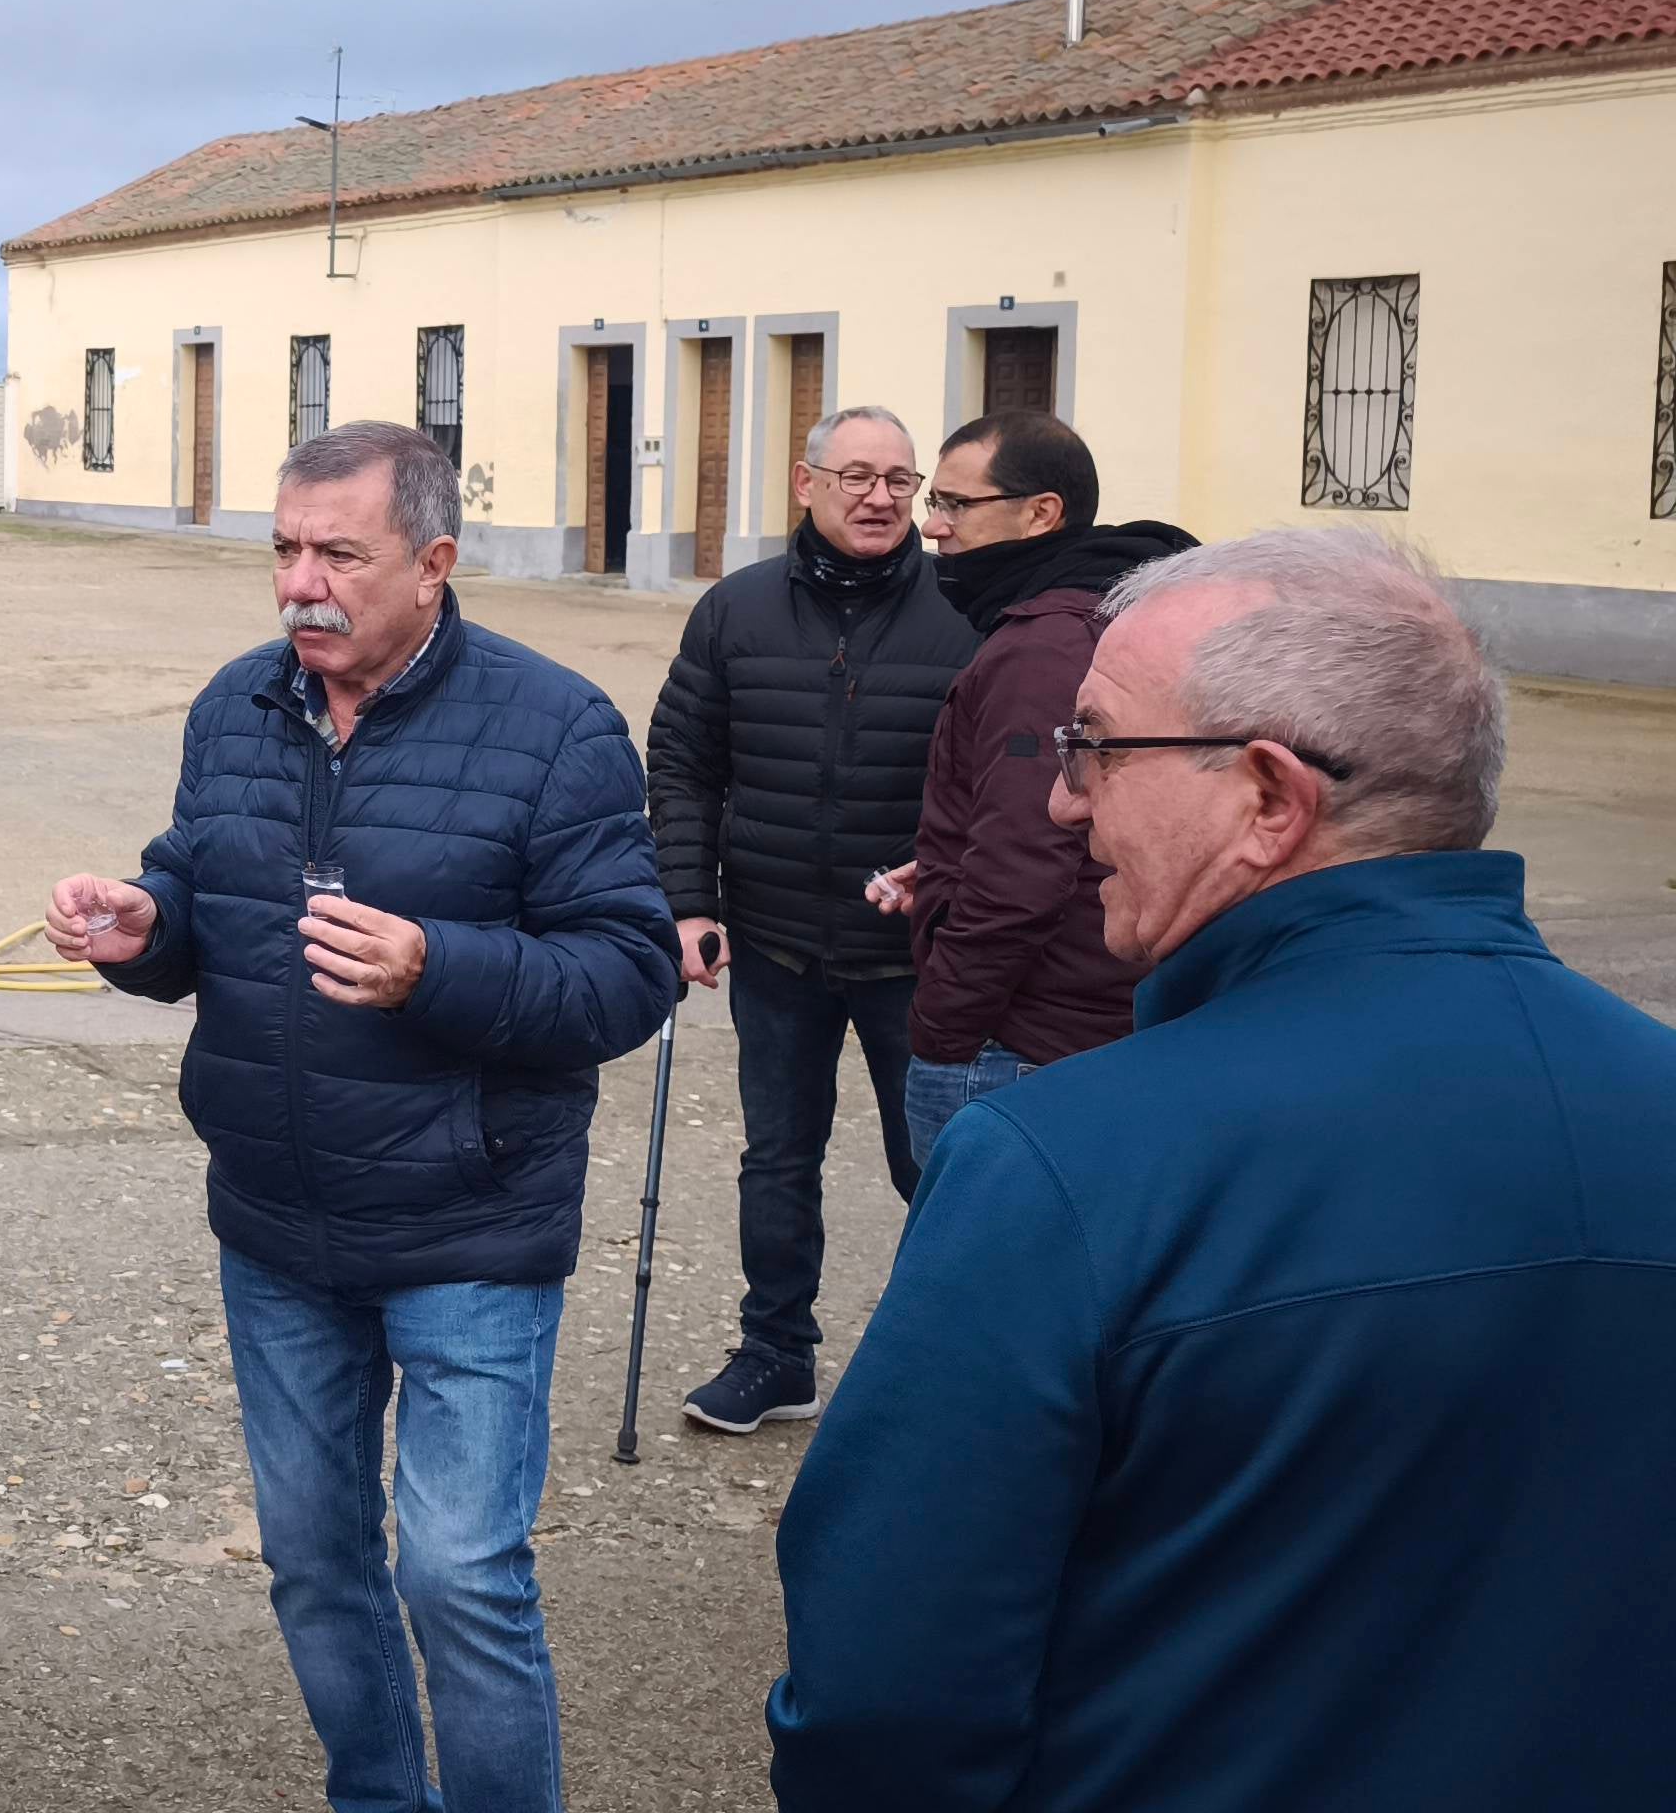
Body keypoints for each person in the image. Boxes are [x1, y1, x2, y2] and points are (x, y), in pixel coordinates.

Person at [769, 527, 1676, 1809]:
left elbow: (883, 1694)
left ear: (1267, 799)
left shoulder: (1065, 1169)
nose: (1059, 799)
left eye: (1093, 746)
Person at [49, 420, 673, 1813]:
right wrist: (147, 929)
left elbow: (629, 973)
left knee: (459, 1575)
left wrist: (436, 970)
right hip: (277, 1227)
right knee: (317, 1563)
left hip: (470, 1227)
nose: (299, 584)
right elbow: (199, 896)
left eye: (340, 553)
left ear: (435, 564)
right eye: (284, 549)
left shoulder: (556, 725)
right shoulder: (236, 707)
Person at [644, 404, 976, 1435]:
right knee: (777, 1157)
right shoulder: (735, 610)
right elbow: (684, 765)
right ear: (806, 482)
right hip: (778, 938)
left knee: (934, 1165)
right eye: (857, 476)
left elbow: (1007, 782)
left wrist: (956, 874)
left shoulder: (966, 614)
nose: (879, 498)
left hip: (915, 954)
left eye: (900, 481)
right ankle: (775, 1354)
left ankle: (947, 1363)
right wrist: (689, 903)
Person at [879, 412, 1191, 1148]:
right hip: (1082, 1025)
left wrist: (942, 1024)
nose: (933, 527)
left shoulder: (1044, 646)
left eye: (956, 504)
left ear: (1040, 512)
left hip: (1018, 1043)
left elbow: (1026, 864)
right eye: (935, 501)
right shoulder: (1109, 614)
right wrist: (951, 865)